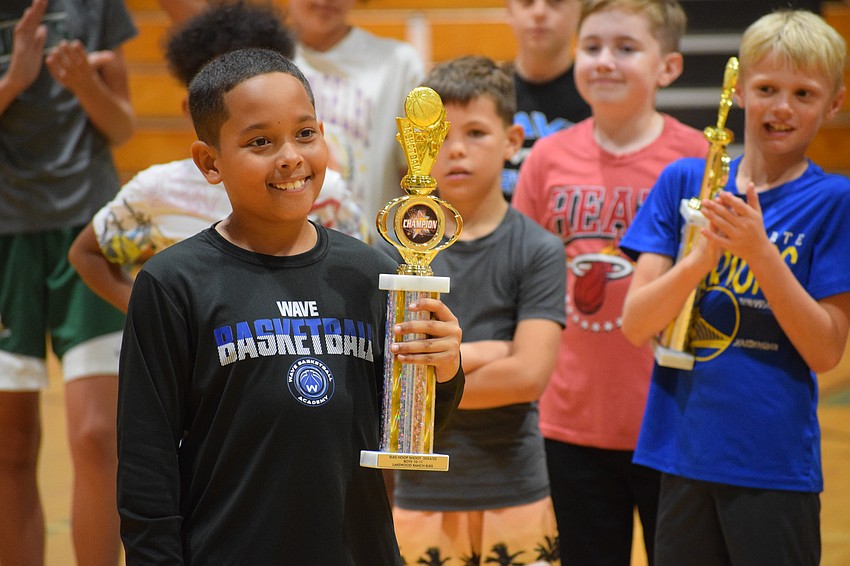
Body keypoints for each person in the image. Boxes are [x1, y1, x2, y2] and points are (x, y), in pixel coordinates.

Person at [116, 47, 464, 564]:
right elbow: (147, 462)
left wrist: (446, 367)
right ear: (210, 162)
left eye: (305, 133)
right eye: (260, 141)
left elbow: (412, 430)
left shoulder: (367, 273)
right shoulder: (174, 283)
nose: (291, 157)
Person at [619, 9, 850, 565]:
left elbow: (825, 350)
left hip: (773, 464)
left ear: (835, 103)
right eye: (767, 88)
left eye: (803, 93)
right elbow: (635, 323)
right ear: (740, 90)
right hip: (680, 452)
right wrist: (700, 260)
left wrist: (760, 254)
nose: (782, 107)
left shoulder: (835, 201)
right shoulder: (684, 182)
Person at [512, 0, 707, 564]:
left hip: (670, 416)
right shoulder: (546, 158)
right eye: (592, 46)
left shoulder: (696, 155)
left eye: (626, 48)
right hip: (569, 418)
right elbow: (522, 279)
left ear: (667, 67)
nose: (604, 61)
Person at [69, 0, 368, 314]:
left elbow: (359, 270)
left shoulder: (326, 192)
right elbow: (88, 254)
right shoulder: (159, 188)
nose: (289, 158)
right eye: (260, 140)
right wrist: (157, 318)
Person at [385, 55, 566, 566]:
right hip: (419, 495)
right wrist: (493, 350)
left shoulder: (538, 249)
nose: (457, 149)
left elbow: (528, 377)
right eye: (442, 135)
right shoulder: (391, 252)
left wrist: (431, 379)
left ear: (512, 141)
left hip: (516, 487)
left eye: (477, 132)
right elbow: (386, 379)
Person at [0, 0, 135, 564]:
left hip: (89, 236)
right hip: (7, 239)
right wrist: (14, 82)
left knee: (99, 437)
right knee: (10, 446)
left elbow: (124, 126)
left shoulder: (95, 6)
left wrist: (86, 85)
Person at [286, 0, 425, 241]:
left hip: (370, 250)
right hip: (279, 248)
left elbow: (414, 177)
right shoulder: (258, 62)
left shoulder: (399, 64)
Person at [502, 0, 590, 201]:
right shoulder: (487, 94)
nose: (539, 12)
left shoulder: (598, 99)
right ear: (509, 10)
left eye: (555, 2)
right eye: (527, 2)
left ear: (580, 11)